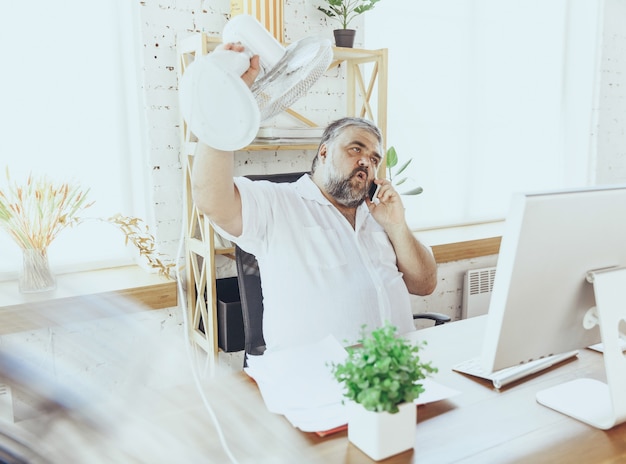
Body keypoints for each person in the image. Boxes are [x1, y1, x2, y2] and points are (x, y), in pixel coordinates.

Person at [191, 43, 437, 353]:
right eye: (355, 149)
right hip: (317, 381)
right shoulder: (277, 203)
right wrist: (226, 102)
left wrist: (398, 227)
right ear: (323, 152)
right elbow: (211, 199)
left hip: (395, 371)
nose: (366, 161)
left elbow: (425, 284)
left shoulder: (380, 215)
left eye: (375, 158)